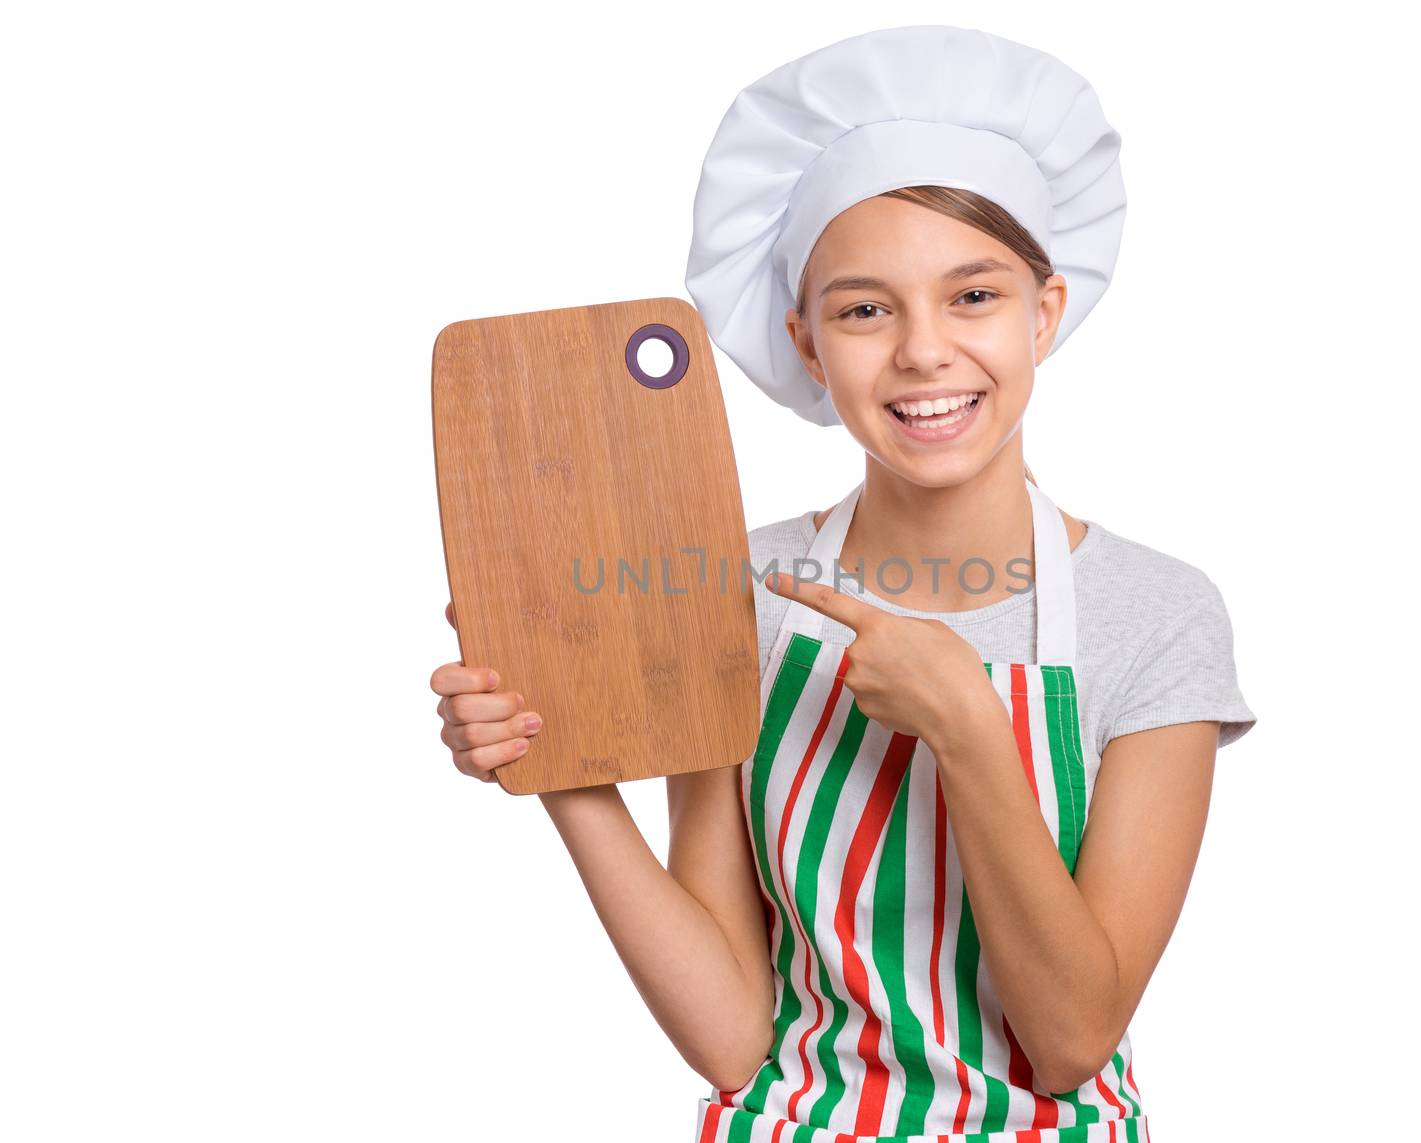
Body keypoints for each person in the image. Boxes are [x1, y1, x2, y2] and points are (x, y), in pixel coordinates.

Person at [430, 25, 1256, 1142]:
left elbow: (1069, 1039)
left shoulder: (1155, 615)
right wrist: (561, 764)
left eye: (973, 296)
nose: (922, 352)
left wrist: (966, 723)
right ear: (806, 344)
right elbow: (730, 1036)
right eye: (865, 309)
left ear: (1044, 312)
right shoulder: (735, 587)